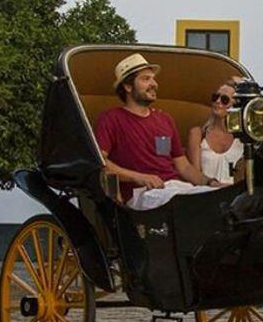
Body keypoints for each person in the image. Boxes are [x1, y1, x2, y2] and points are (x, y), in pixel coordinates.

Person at [94, 53, 220, 210]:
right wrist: (138, 177)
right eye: (145, 79)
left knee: (219, 198)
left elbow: (184, 167)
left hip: (175, 188)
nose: (154, 83)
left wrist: (211, 183)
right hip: (142, 194)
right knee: (192, 201)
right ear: (127, 86)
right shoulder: (111, 119)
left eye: (153, 78)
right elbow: (100, 163)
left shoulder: (164, 119)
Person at [188, 83, 245, 187]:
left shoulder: (245, 137)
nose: (218, 101)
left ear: (235, 105)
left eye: (224, 100)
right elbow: (195, 176)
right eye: (215, 97)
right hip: (206, 192)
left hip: (236, 193)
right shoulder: (198, 134)